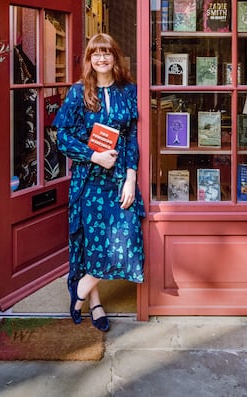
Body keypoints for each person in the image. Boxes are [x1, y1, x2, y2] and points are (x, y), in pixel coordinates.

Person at [54, 33, 145, 332]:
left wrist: (130, 178)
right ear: (89, 60)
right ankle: (95, 303)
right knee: (92, 244)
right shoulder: (78, 93)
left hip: (118, 179)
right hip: (89, 181)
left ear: (115, 57)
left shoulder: (128, 91)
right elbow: (63, 138)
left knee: (126, 243)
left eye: (107, 53)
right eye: (96, 54)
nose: (102, 58)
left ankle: (78, 291)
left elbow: (131, 138)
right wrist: (94, 157)